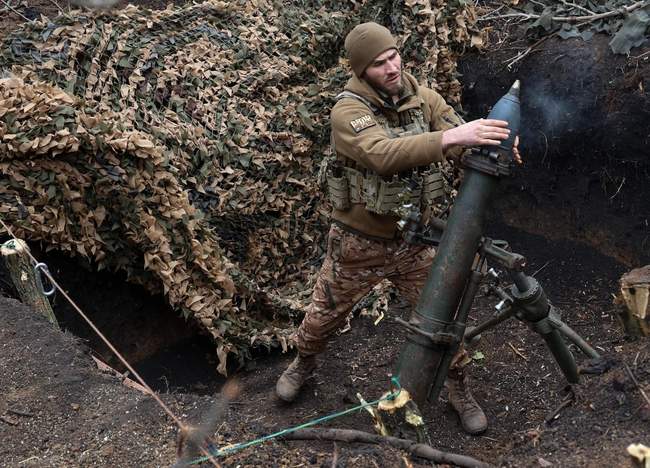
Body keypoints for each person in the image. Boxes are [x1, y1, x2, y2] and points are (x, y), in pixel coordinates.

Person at [276, 22, 520, 435]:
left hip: (416, 242)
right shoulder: (348, 111)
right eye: (378, 64)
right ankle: (304, 364)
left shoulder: (424, 100)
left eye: (393, 56)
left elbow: (460, 144)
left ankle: (458, 389)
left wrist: (493, 143)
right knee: (321, 318)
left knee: (445, 321)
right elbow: (381, 154)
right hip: (358, 244)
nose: (391, 67)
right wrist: (453, 136)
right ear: (360, 71)